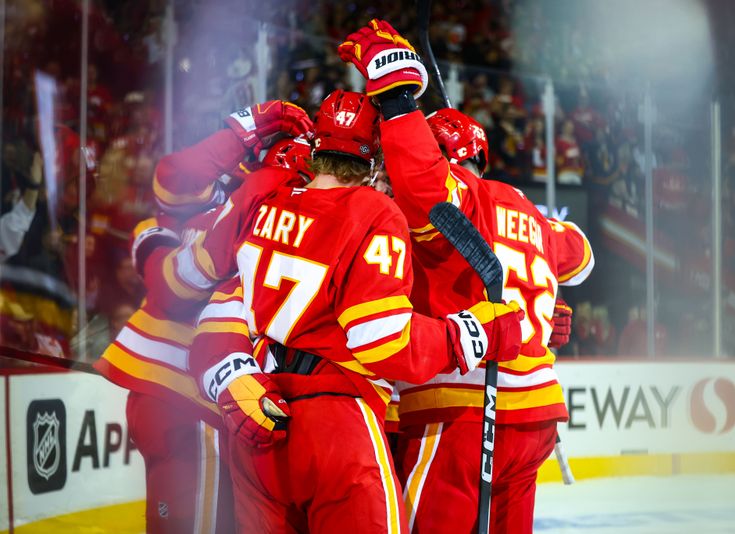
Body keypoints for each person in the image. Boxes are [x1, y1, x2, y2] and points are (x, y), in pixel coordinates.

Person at [168, 89, 524, 533]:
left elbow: (218, 311)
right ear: (376, 159)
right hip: (338, 420)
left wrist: (229, 377)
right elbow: (383, 341)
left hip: (263, 419)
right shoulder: (372, 210)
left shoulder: (267, 205)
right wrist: (474, 334)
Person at [338, 20, 594, 533]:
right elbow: (582, 258)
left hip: (465, 409)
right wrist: (541, 311)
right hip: (537, 410)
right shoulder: (532, 212)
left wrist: (396, 101)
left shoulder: (459, 201)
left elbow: (426, 188)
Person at [94, 99, 313, 534]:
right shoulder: (248, 207)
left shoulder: (218, 206)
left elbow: (175, 180)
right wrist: (246, 130)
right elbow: (174, 184)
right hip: (191, 400)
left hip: (178, 396)